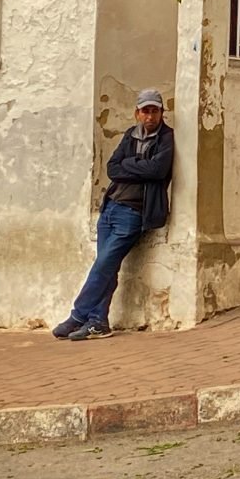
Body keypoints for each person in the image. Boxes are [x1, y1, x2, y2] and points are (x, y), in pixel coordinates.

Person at [52, 88, 175, 341]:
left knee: (103, 265)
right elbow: (112, 168)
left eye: (154, 111)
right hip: (110, 207)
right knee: (107, 268)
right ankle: (98, 322)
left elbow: (157, 170)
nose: (150, 116)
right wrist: (137, 167)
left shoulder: (167, 138)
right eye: (145, 111)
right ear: (137, 113)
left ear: (162, 113)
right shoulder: (130, 135)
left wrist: (130, 166)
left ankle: (78, 315)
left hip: (134, 212)